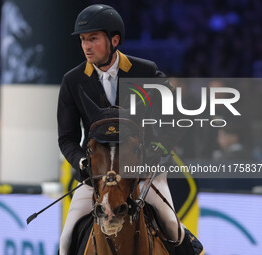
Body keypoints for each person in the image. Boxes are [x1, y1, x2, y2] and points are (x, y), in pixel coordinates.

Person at [57, 4, 186, 254]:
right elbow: (67, 138)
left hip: (143, 174)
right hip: (96, 178)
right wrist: (83, 162)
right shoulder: (72, 81)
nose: (86, 46)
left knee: (173, 228)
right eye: (83, 40)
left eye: (93, 38)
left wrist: (155, 150)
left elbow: (177, 117)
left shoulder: (145, 72)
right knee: (66, 239)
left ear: (114, 40)